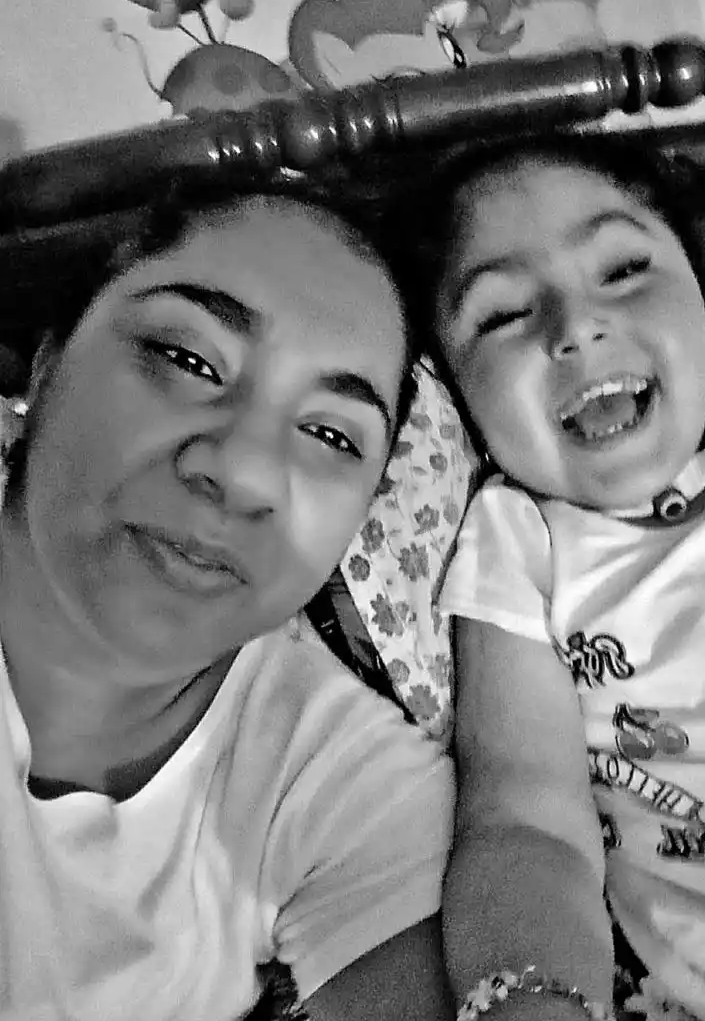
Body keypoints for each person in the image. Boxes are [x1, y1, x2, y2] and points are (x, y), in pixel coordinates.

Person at [0, 184, 454, 1021]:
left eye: (331, 436)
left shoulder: (344, 791)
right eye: (188, 361)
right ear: (46, 365)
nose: (242, 471)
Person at [411, 134, 705, 1021]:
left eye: (625, 269)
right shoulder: (517, 546)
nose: (574, 327)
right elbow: (525, 820)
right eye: (501, 316)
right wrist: (531, 998)